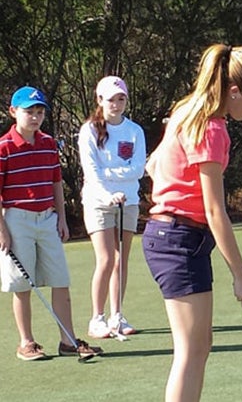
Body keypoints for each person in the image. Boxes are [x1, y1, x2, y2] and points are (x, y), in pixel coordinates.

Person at [143, 44, 242, 401]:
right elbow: (215, 210)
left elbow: (153, 165)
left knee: (199, 346)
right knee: (190, 351)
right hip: (178, 240)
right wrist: (241, 277)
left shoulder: (186, 111)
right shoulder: (212, 129)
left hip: (176, 237)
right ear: (235, 91)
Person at [0, 86, 104, 360]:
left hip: (47, 218)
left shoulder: (48, 144)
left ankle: (68, 341)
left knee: (60, 281)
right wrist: (2, 231)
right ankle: (27, 342)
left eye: (39, 112)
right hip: (16, 220)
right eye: (28, 112)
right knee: (22, 286)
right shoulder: (4, 148)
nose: (35, 117)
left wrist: (62, 219)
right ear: (13, 112)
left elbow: (56, 183)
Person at [79, 76, 146, 339]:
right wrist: (108, 191)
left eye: (121, 99)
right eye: (111, 100)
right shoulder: (89, 131)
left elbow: (138, 169)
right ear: (100, 100)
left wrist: (114, 175)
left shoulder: (135, 131)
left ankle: (117, 315)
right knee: (106, 259)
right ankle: (97, 318)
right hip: (98, 202)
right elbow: (92, 171)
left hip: (128, 202)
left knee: (121, 261)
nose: (116, 105)